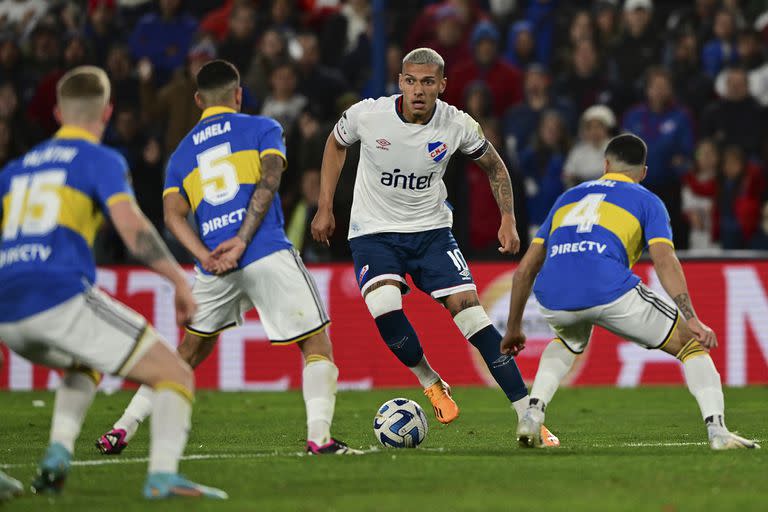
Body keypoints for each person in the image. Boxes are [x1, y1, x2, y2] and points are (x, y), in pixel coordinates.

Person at [96, 60, 359, 456]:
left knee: (187, 353)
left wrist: (204, 255)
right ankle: (319, 439)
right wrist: (242, 240)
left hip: (215, 265)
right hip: (264, 250)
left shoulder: (181, 154)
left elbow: (172, 216)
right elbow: (270, 181)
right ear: (238, 95)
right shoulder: (262, 128)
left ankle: (122, 428)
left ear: (199, 100)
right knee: (316, 344)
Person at [311, 48, 558, 446]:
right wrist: (325, 206)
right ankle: (429, 380)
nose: (419, 90)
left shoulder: (456, 124)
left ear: (442, 85)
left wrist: (508, 219)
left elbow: (494, 166)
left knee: (473, 320)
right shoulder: (368, 115)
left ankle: (529, 418)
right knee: (384, 305)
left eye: (428, 82)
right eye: (411, 81)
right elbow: (335, 144)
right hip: (373, 233)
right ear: (400, 83)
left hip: (431, 234)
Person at [0, 66, 227, 499]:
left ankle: (57, 456)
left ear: (56, 112)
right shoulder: (99, 159)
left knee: (83, 362)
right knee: (175, 373)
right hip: (58, 296)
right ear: (106, 112)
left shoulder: (15, 170)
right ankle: (162, 477)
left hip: (6, 305)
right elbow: (132, 228)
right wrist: (178, 279)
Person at [500, 134, 760, 451]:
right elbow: (665, 260)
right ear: (644, 172)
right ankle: (718, 432)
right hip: (607, 287)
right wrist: (691, 317)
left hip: (553, 293)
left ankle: (532, 414)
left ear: (606, 164)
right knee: (691, 345)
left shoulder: (568, 197)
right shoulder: (646, 199)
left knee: (568, 340)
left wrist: (513, 327)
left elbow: (525, 270)